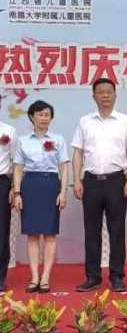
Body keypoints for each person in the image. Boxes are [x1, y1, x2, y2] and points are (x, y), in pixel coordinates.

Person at [72, 77, 127, 292]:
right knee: (91, 231)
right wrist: (77, 180)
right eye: (100, 92)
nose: (105, 95)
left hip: (116, 181)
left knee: (117, 231)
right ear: (94, 96)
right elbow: (78, 152)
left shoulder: (125, 121)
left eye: (109, 91)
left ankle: (117, 277)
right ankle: (92, 277)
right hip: (91, 181)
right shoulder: (85, 121)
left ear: (115, 95)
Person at [12, 100, 69, 293]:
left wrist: (63, 191)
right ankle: (34, 277)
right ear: (32, 117)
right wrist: (17, 193)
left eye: (47, 115)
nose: (44, 118)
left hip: (51, 185)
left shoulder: (58, 139)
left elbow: (64, 167)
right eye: (40, 114)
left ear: (51, 118)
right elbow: (18, 168)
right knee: (33, 234)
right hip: (30, 185)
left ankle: (45, 278)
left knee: (50, 233)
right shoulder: (23, 140)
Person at [0, 120, 15, 293]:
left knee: (2, 231)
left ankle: (0, 278)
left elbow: (15, 160)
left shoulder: (9, 130)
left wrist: (13, 187)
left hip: (2, 182)